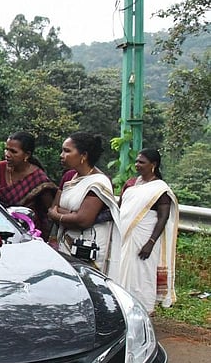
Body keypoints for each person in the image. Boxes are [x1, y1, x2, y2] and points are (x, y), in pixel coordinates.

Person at [110, 149, 178, 313]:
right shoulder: (132, 185)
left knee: (141, 276)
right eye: (137, 161)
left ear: (153, 165)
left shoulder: (160, 189)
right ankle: (123, 309)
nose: (137, 165)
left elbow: (163, 218)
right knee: (121, 272)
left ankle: (143, 311)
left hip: (144, 239)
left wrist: (151, 242)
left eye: (142, 162)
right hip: (126, 238)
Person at [47, 132, 121, 274]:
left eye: (67, 151)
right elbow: (53, 208)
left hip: (88, 248)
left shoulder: (98, 182)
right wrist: (72, 214)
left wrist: (59, 215)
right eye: (62, 150)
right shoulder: (69, 176)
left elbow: (83, 220)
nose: (62, 155)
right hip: (66, 242)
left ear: (84, 155)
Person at [0, 131, 58, 240]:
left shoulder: (39, 179)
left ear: (27, 155)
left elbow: (48, 212)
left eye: (13, 151)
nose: (7, 154)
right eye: (6, 149)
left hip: (26, 234)